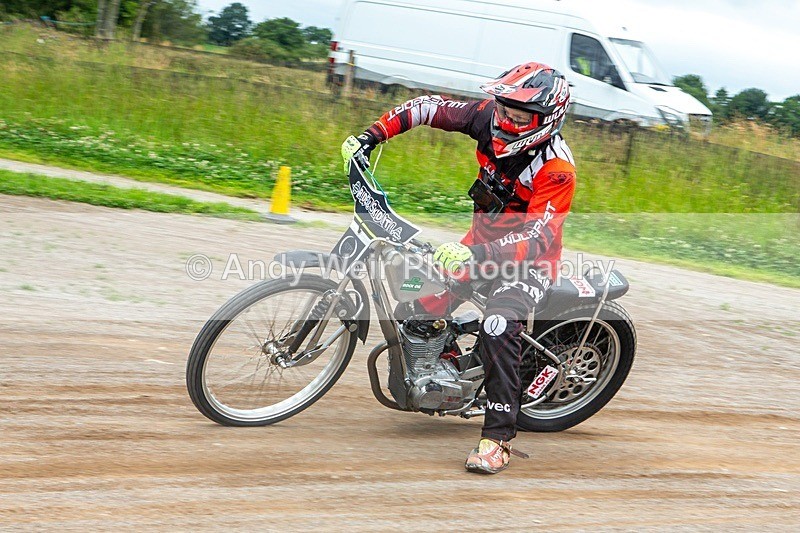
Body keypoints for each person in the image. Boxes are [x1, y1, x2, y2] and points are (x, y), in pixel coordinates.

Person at [341, 63, 576, 474]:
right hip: (475, 248)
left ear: (547, 119)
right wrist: (371, 137)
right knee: (414, 294)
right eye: (505, 110)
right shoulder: (486, 116)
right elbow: (427, 108)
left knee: (499, 325)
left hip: (528, 265)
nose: (506, 121)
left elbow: (539, 235)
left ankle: (498, 439)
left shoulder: (556, 169)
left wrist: (478, 256)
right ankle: (448, 370)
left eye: (520, 117)